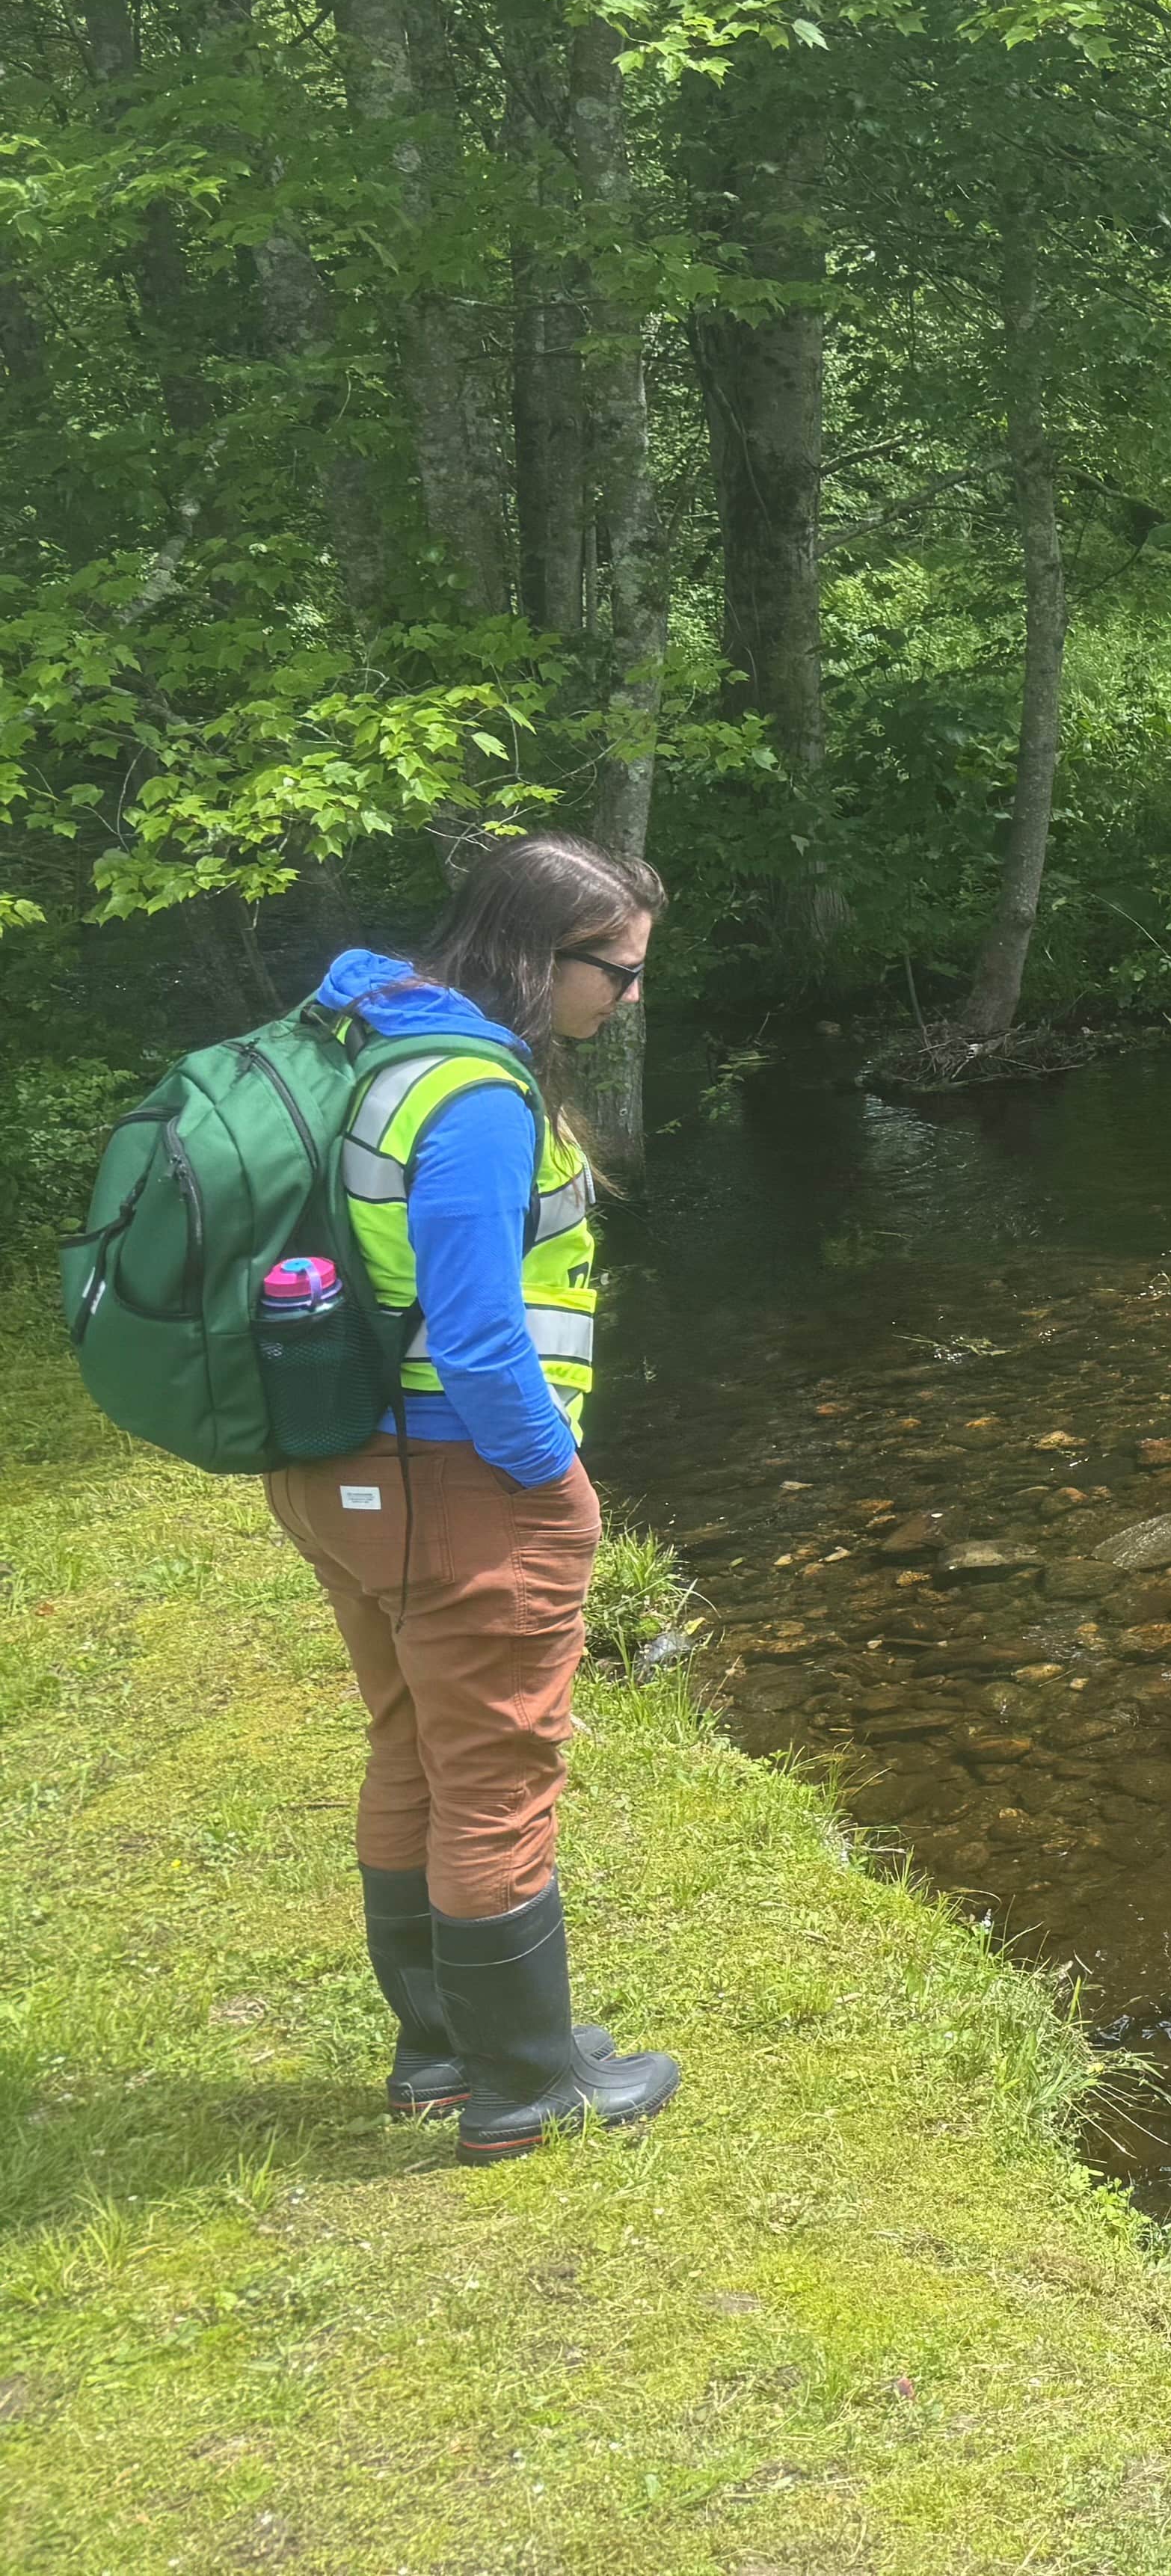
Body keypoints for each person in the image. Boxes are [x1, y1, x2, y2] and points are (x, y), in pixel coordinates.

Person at [274, 834, 683, 2162]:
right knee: (500, 1774)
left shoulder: (357, 1034)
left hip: (334, 1462)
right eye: (614, 969)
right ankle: (523, 2086)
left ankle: (448, 2050)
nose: (626, 995)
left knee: (412, 1744)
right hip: (454, 1478)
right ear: (538, 954)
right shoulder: (476, 1096)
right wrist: (553, 1485)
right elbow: (478, 1328)